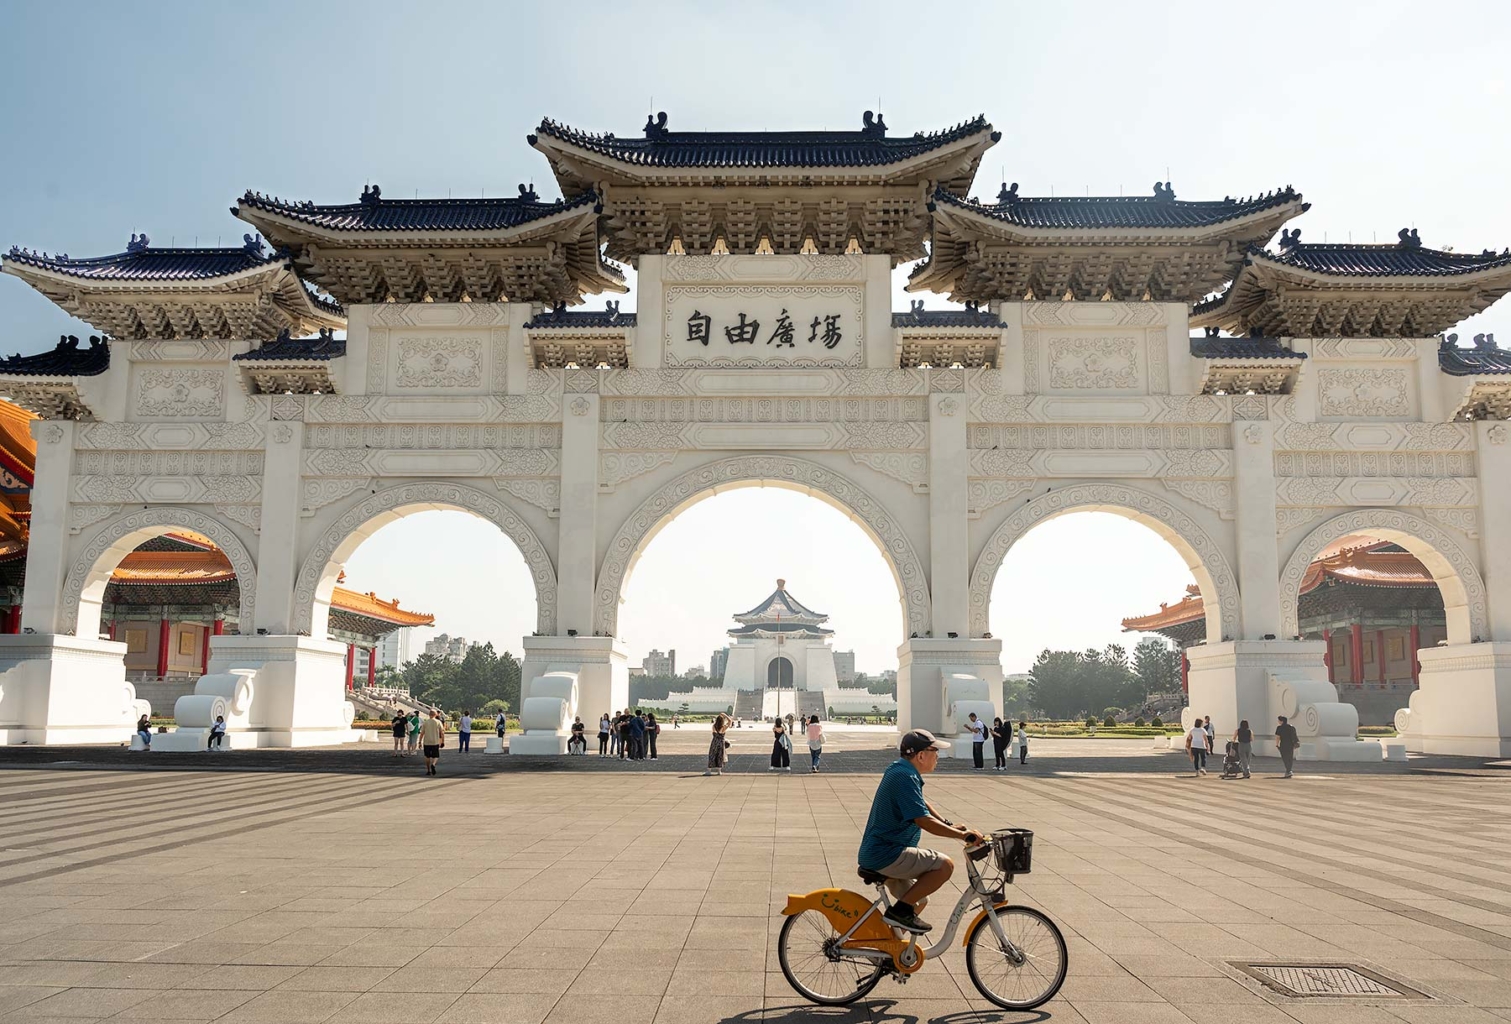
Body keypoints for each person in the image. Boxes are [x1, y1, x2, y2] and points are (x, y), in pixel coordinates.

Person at [857, 729, 985, 934]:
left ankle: (890, 947)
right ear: (921, 756)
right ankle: (899, 912)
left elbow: (921, 803)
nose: (938, 756)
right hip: (887, 853)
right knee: (945, 866)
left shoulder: (899, 769)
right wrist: (961, 835)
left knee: (918, 901)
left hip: (880, 852)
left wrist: (947, 824)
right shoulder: (905, 776)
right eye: (935, 751)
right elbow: (923, 820)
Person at [420, 709, 445, 776]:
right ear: (435, 714)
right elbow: (442, 733)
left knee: (427, 756)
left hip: (427, 742)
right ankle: (433, 764)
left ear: (429, 715)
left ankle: (428, 770)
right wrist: (442, 741)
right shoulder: (438, 722)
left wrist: (419, 741)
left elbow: (422, 733)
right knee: (436, 755)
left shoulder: (426, 722)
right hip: (435, 742)